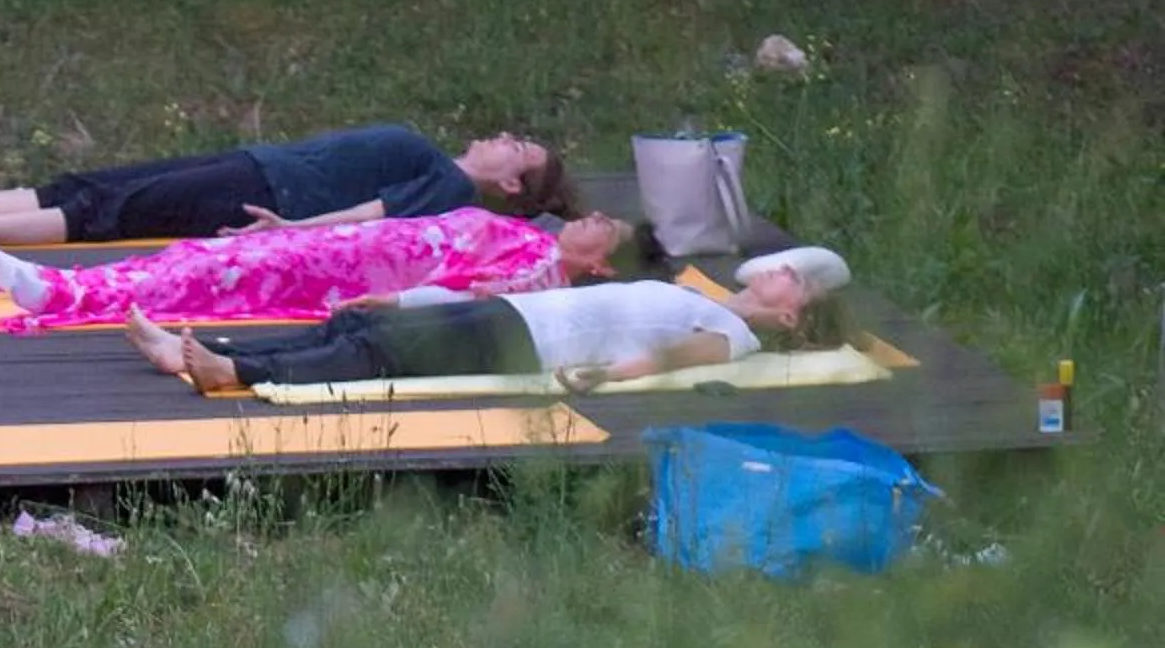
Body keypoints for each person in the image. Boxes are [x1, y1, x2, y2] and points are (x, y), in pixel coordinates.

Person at [129, 245, 852, 394]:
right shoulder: (700, 294)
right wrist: (417, 296)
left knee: (377, 350)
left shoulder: (736, 334)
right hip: (519, 315)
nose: (781, 271)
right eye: (791, 265)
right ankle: (203, 352)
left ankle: (234, 372)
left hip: (530, 344)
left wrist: (604, 375)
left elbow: (676, 362)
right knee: (353, 326)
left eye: (798, 283)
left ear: (792, 316)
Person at [0, 122, 568, 247]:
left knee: (114, 212)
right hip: (256, 165)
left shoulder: (450, 188)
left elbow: (373, 215)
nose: (503, 140)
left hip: (265, 196)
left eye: (517, 149)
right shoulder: (438, 162)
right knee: (92, 183)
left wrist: (292, 233)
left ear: (512, 185)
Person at [0, 206, 660, 334]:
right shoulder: (528, 238)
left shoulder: (541, 273)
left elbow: (463, 292)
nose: (590, 220)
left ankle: (59, 292)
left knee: (213, 280)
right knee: (203, 258)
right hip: (355, 246)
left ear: (601, 265)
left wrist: (391, 303)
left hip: (356, 274)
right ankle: (69, 285)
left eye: (605, 229)